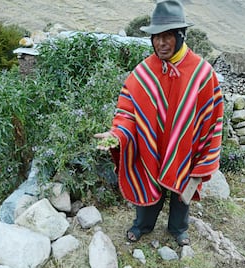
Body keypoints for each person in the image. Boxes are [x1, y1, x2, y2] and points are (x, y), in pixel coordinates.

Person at [94, 0, 223, 246]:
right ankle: (142, 225)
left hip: (186, 147)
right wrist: (118, 134)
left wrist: (204, 152)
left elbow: (212, 116)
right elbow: (128, 111)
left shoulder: (202, 73)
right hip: (151, 146)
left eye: (167, 36)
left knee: (182, 187)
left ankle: (178, 228)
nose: (160, 43)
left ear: (181, 35)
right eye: (156, 37)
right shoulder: (143, 72)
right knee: (147, 179)